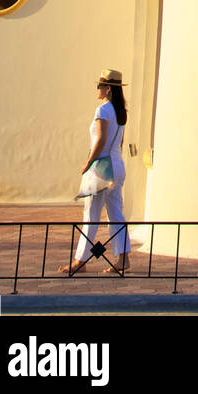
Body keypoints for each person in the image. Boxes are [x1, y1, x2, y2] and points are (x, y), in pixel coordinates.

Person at [59, 68, 131, 275]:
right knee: (116, 212)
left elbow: (99, 140)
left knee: (91, 214)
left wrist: (88, 162)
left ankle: (80, 260)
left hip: (102, 167)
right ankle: (123, 258)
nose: (98, 89)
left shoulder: (103, 111)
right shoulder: (121, 111)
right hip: (117, 165)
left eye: (100, 85)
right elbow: (120, 141)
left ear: (108, 88)